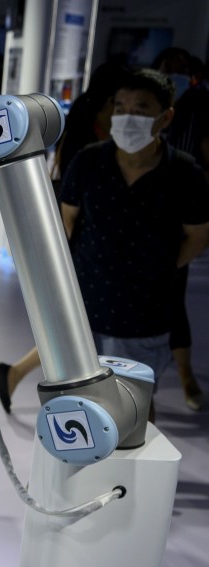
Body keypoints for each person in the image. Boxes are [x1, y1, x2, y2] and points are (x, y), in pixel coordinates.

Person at [59, 68, 209, 421]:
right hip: (86, 305)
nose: (127, 117)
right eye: (121, 106)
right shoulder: (88, 162)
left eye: (141, 109)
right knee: (77, 401)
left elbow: (199, 235)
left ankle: (132, 475)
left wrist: (161, 268)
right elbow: (67, 223)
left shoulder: (185, 173)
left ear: (165, 116)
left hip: (144, 313)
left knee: (135, 405)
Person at [0, 61, 129, 413]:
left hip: (84, 230)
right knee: (76, 325)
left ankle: (16, 373)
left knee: (78, 325)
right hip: (85, 232)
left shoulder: (85, 114)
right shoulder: (92, 132)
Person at [158, 49, 207, 411]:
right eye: (167, 69)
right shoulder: (145, 105)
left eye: (180, 70)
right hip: (136, 215)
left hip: (175, 220)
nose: (173, 74)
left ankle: (186, 377)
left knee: (173, 302)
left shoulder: (200, 106)